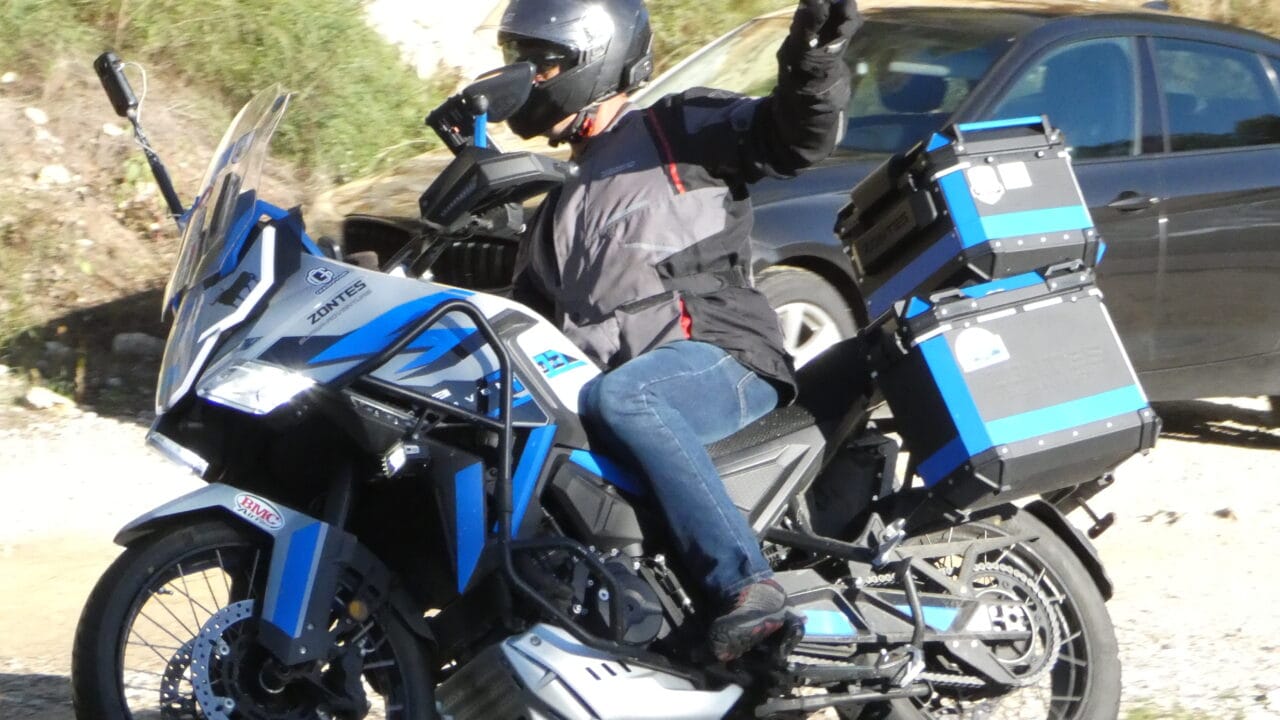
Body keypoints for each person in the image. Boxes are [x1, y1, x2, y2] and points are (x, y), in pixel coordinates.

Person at [501, 0, 860, 661]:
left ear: (592, 60)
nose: (528, 77)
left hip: (723, 357)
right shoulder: (550, 210)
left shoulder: (677, 128)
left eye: (540, 62)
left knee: (626, 397)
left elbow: (793, 138)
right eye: (518, 60)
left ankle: (746, 584)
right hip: (629, 391)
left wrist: (812, 58)